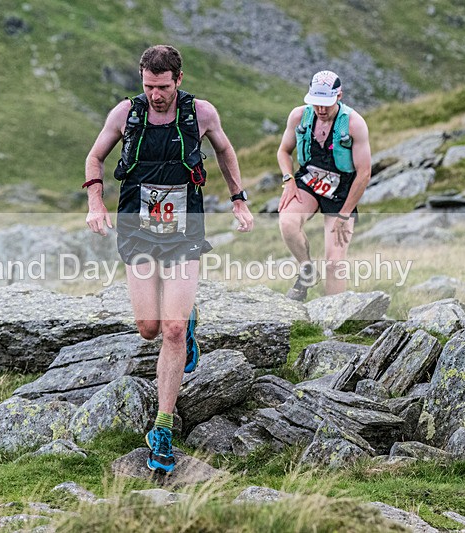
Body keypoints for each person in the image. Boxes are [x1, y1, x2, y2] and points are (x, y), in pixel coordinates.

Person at [84, 45, 254, 474]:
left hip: (184, 229)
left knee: (172, 329)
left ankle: (162, 428)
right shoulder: (126, 114)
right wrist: (95, 202)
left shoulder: (202, 113)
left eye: (162, 87)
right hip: (138, 228)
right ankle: (186, 319)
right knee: (148, 329)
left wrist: (238, 200)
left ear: (178, 79)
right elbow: (95, 156)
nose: (156, 95)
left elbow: (225, 152)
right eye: (148, 87)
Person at [277, 70, 371, 300]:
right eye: (316, 103)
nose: (321, 110)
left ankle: (331, 323)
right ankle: (307, 271)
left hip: (341, 190)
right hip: (309, 180)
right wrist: (289, 180)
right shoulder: (299, 116)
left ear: (339, 96)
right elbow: (283, 151)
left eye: (326, 104)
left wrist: (345, 214)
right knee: (288, 223)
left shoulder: (354, 124)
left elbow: (364, 172)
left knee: (334, 263)